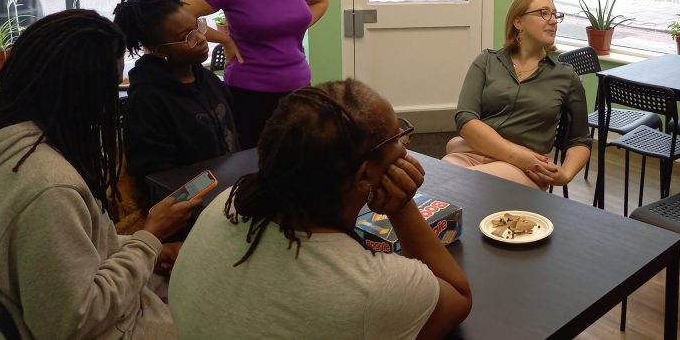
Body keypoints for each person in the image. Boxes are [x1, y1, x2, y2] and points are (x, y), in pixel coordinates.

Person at [168, 80, 472, 339]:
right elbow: (458, 298)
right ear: (364, 175)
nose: (404, 147)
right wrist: (402, 207)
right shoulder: (373, 289)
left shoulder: (228, 203)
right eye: (397, 137)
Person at [0, 10, 199, 338]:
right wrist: (150, 237)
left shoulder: (0, 142)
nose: (113, 103)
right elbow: (75, 319)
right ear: (81, 94)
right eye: (110, 89)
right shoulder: (48, 190)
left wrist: (141, 249)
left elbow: (67, 250)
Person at [181, 0, 329, 149]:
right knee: (257, 163)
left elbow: (322, 0)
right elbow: (180, 12)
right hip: (250, 93)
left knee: (301, 158)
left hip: (299, 86)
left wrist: (294, 28)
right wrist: (223, 39)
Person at [443, 0, 592, 190]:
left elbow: (580, 139)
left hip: (525, 171)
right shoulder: (487, 61)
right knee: (441, 180)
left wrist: (565, 174)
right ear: (518, 22)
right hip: (473, 155)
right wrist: (517, 155)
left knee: (461, 186)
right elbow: (465, 119)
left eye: (555, 15)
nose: (553, 21)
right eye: (543, 13)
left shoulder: (565, 76)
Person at [113, 0, 239, 201]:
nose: (200, 38)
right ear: (159, 50)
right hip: (188, 206)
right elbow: (156, 174)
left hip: (226, 193)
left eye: (197, 28)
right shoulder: (147, 101)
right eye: (186, 36)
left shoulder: (207, 79)